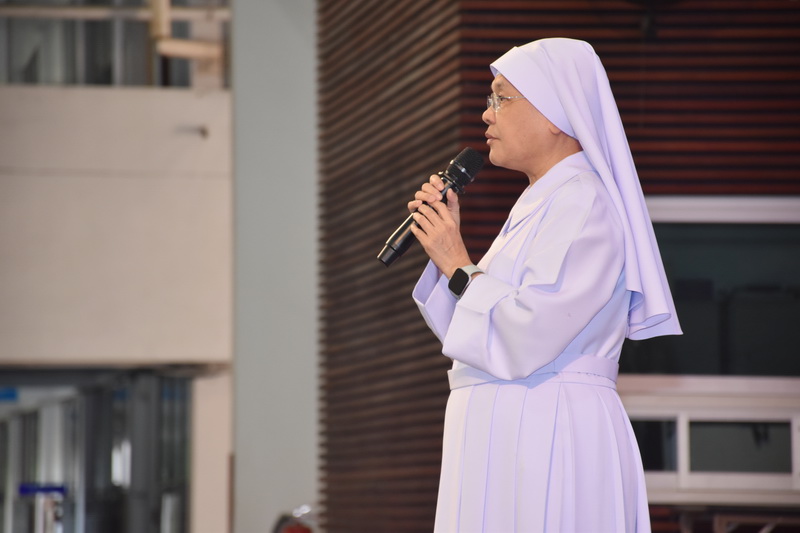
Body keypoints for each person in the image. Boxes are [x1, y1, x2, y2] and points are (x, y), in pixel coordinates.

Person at [408, 38, 681, 532]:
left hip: (548, 425)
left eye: (501, 98)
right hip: (510, 422)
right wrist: (449, 257)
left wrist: (458, 264)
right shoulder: (540, 203)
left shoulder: (584, 203)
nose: (486, 114)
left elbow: (526, 332)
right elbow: (474, 336)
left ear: (556, 112)